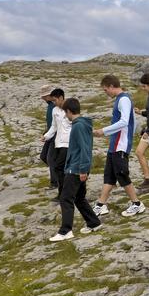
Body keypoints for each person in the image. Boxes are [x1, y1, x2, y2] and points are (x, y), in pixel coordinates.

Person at [92, 75, 146, 218]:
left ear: (111, 86)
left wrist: (103, 131)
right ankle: (100, 205)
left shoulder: (123, 99)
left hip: (120, 145)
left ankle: (137, 204)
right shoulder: (121, 99)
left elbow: (124, 122)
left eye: (105, 90)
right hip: (114, 145)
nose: (106, 93)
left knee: (122, 175)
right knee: (109, 176)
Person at [50, 97, 102, 241]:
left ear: (68, 111)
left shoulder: (78, 126)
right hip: (79, 167)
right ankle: (94, 222)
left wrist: (83, 170)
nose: (65, 116)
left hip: (76, 168)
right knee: (79, 198)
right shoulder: (84, 124)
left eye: (65, 113)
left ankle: (66, 231)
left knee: (65, 198)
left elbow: (84, 149)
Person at [41, 88, 71, 202]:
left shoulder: (70, 108)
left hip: (68, 143)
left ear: (61, 98)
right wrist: (46, 136)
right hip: (58, 143)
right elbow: (54, 127)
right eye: (52, 101)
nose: (54, 103)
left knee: (60, 167)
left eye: (55, 100)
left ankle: (64, 194)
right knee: (60, 168)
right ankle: (62, 193)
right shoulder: (55, 110)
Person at [38, 85, 58, 189]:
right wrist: (45, 133)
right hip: (50, 135)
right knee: (44, 157)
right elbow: (51, 123)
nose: (43, 99)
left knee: (50, 159)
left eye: (44, 96)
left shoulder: (56, 105)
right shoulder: (50, 105)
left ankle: (55, 183)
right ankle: (58, 174)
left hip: (57, 136)